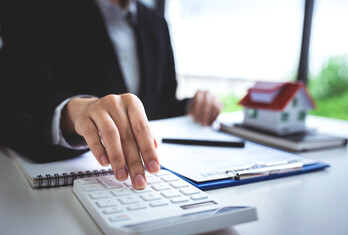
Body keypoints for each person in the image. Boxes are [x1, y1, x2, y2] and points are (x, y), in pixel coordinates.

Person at [0, 0, 222, 189]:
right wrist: (75, 111)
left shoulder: (156, 23)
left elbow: (158, 103)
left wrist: (191, 105)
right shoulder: (36, 9)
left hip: (144, 182)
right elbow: (15, 101)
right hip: (58, 184)